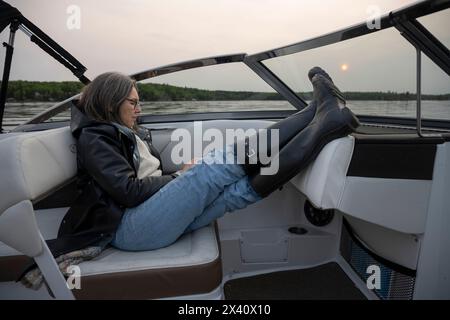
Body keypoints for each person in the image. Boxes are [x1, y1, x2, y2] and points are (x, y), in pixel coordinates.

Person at [20, 67, 359, 288]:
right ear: (111, 103)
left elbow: (139, 178)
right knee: (218, 164)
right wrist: (183, 177)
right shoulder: (96, 137)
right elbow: (129, 191)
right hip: (128, 228)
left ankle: (324, 118)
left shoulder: (125, 132)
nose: (139, 109)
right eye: (133, 103)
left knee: (235, 194)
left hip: (145, 217)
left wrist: (177, 175)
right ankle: (319, 112)